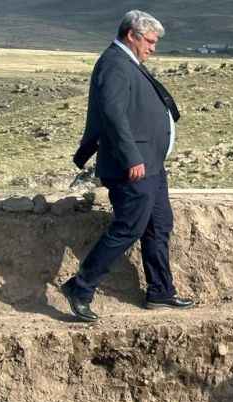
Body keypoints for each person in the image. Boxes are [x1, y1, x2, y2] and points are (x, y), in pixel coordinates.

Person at [61, 10, 192, 322]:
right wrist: (131, 157)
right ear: (132, 35)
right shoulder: (114, 64)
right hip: (132, 166)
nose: (153, 48)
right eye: (150, 41)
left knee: (159, 226)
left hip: (152, 165)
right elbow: (113, 115)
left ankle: (160, 291)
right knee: (129, 227)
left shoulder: (128, 62)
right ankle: (80, 286)